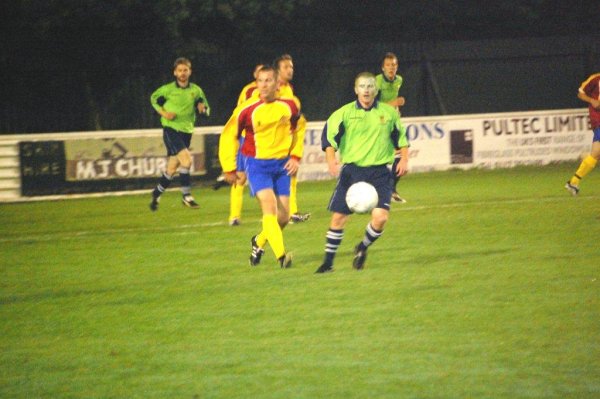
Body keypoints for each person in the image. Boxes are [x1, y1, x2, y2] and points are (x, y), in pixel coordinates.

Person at [315, 72, 409, 273]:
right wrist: (331, 160)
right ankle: (327, 264)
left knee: (381, 218)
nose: (366, 90)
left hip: (380, 174)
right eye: (362, 86)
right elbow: (328, 138)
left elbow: (401, 138)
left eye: (370, 86)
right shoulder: (343, 113)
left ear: (376, 90)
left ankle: (362, 247)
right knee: (339, 218)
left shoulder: (388, 113)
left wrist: (404, 159)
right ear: (356, 89)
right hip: (352, 172)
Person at [219, 65, 301, 268]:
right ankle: (282, 257)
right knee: (269, 207)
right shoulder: (246, 110)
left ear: (277, 84)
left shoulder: (289, 106)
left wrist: (295, 156)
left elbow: (298, 129)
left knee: (283, 217)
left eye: (268, 81)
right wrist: (229, 167)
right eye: (260, 81)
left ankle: (259, 242)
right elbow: (229, 135)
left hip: (281, 166)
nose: (263, 85)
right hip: (257, 165)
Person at [149, 57, 210, 211]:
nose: (183, 73)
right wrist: (163, 113)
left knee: (171, 169)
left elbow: (207, 108)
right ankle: (186, 196)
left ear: (190, 72)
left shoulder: (196, 91)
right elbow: (153, 99)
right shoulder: (167, 90)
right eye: (180, 70)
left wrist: (203, 110)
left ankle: (156, 194)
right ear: (175, 73)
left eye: (185, 70)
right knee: (187, 161)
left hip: (186, 132)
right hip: (171, 129)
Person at [223, 63, 264, 226]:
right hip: (247, 138)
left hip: (264, 140)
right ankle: (234, 216)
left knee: (262, 176)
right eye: (260, 73)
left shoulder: (278, 90)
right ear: (255, 75)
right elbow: (240, 112)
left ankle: (268, 213)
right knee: (240, 177)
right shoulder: (248, 91)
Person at [273, 54, 311, 223]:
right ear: (277, 71)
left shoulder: (289, 90)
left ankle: (291, 211)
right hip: (271, 142)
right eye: (286, 67)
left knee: (291, 173)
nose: (290, 70)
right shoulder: (272, 89)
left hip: (286, 140)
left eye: (291, 67)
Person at [375, 52, 407, 203]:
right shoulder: (377, 82)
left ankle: (392, 190)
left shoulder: (399, 80)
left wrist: (395, 111)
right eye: (388, 65)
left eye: (393, 65)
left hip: (392, 122)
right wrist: (395, 103)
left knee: (400, 155)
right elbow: (373, 106)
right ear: (383, 68)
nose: (391, 68)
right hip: (378, 122)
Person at [565, 72, 600, 195]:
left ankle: (573, 182)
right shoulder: (595, 79)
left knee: (596, 154)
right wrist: (592, 100)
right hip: (599, 119)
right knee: (596, 153)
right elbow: (581, 93)